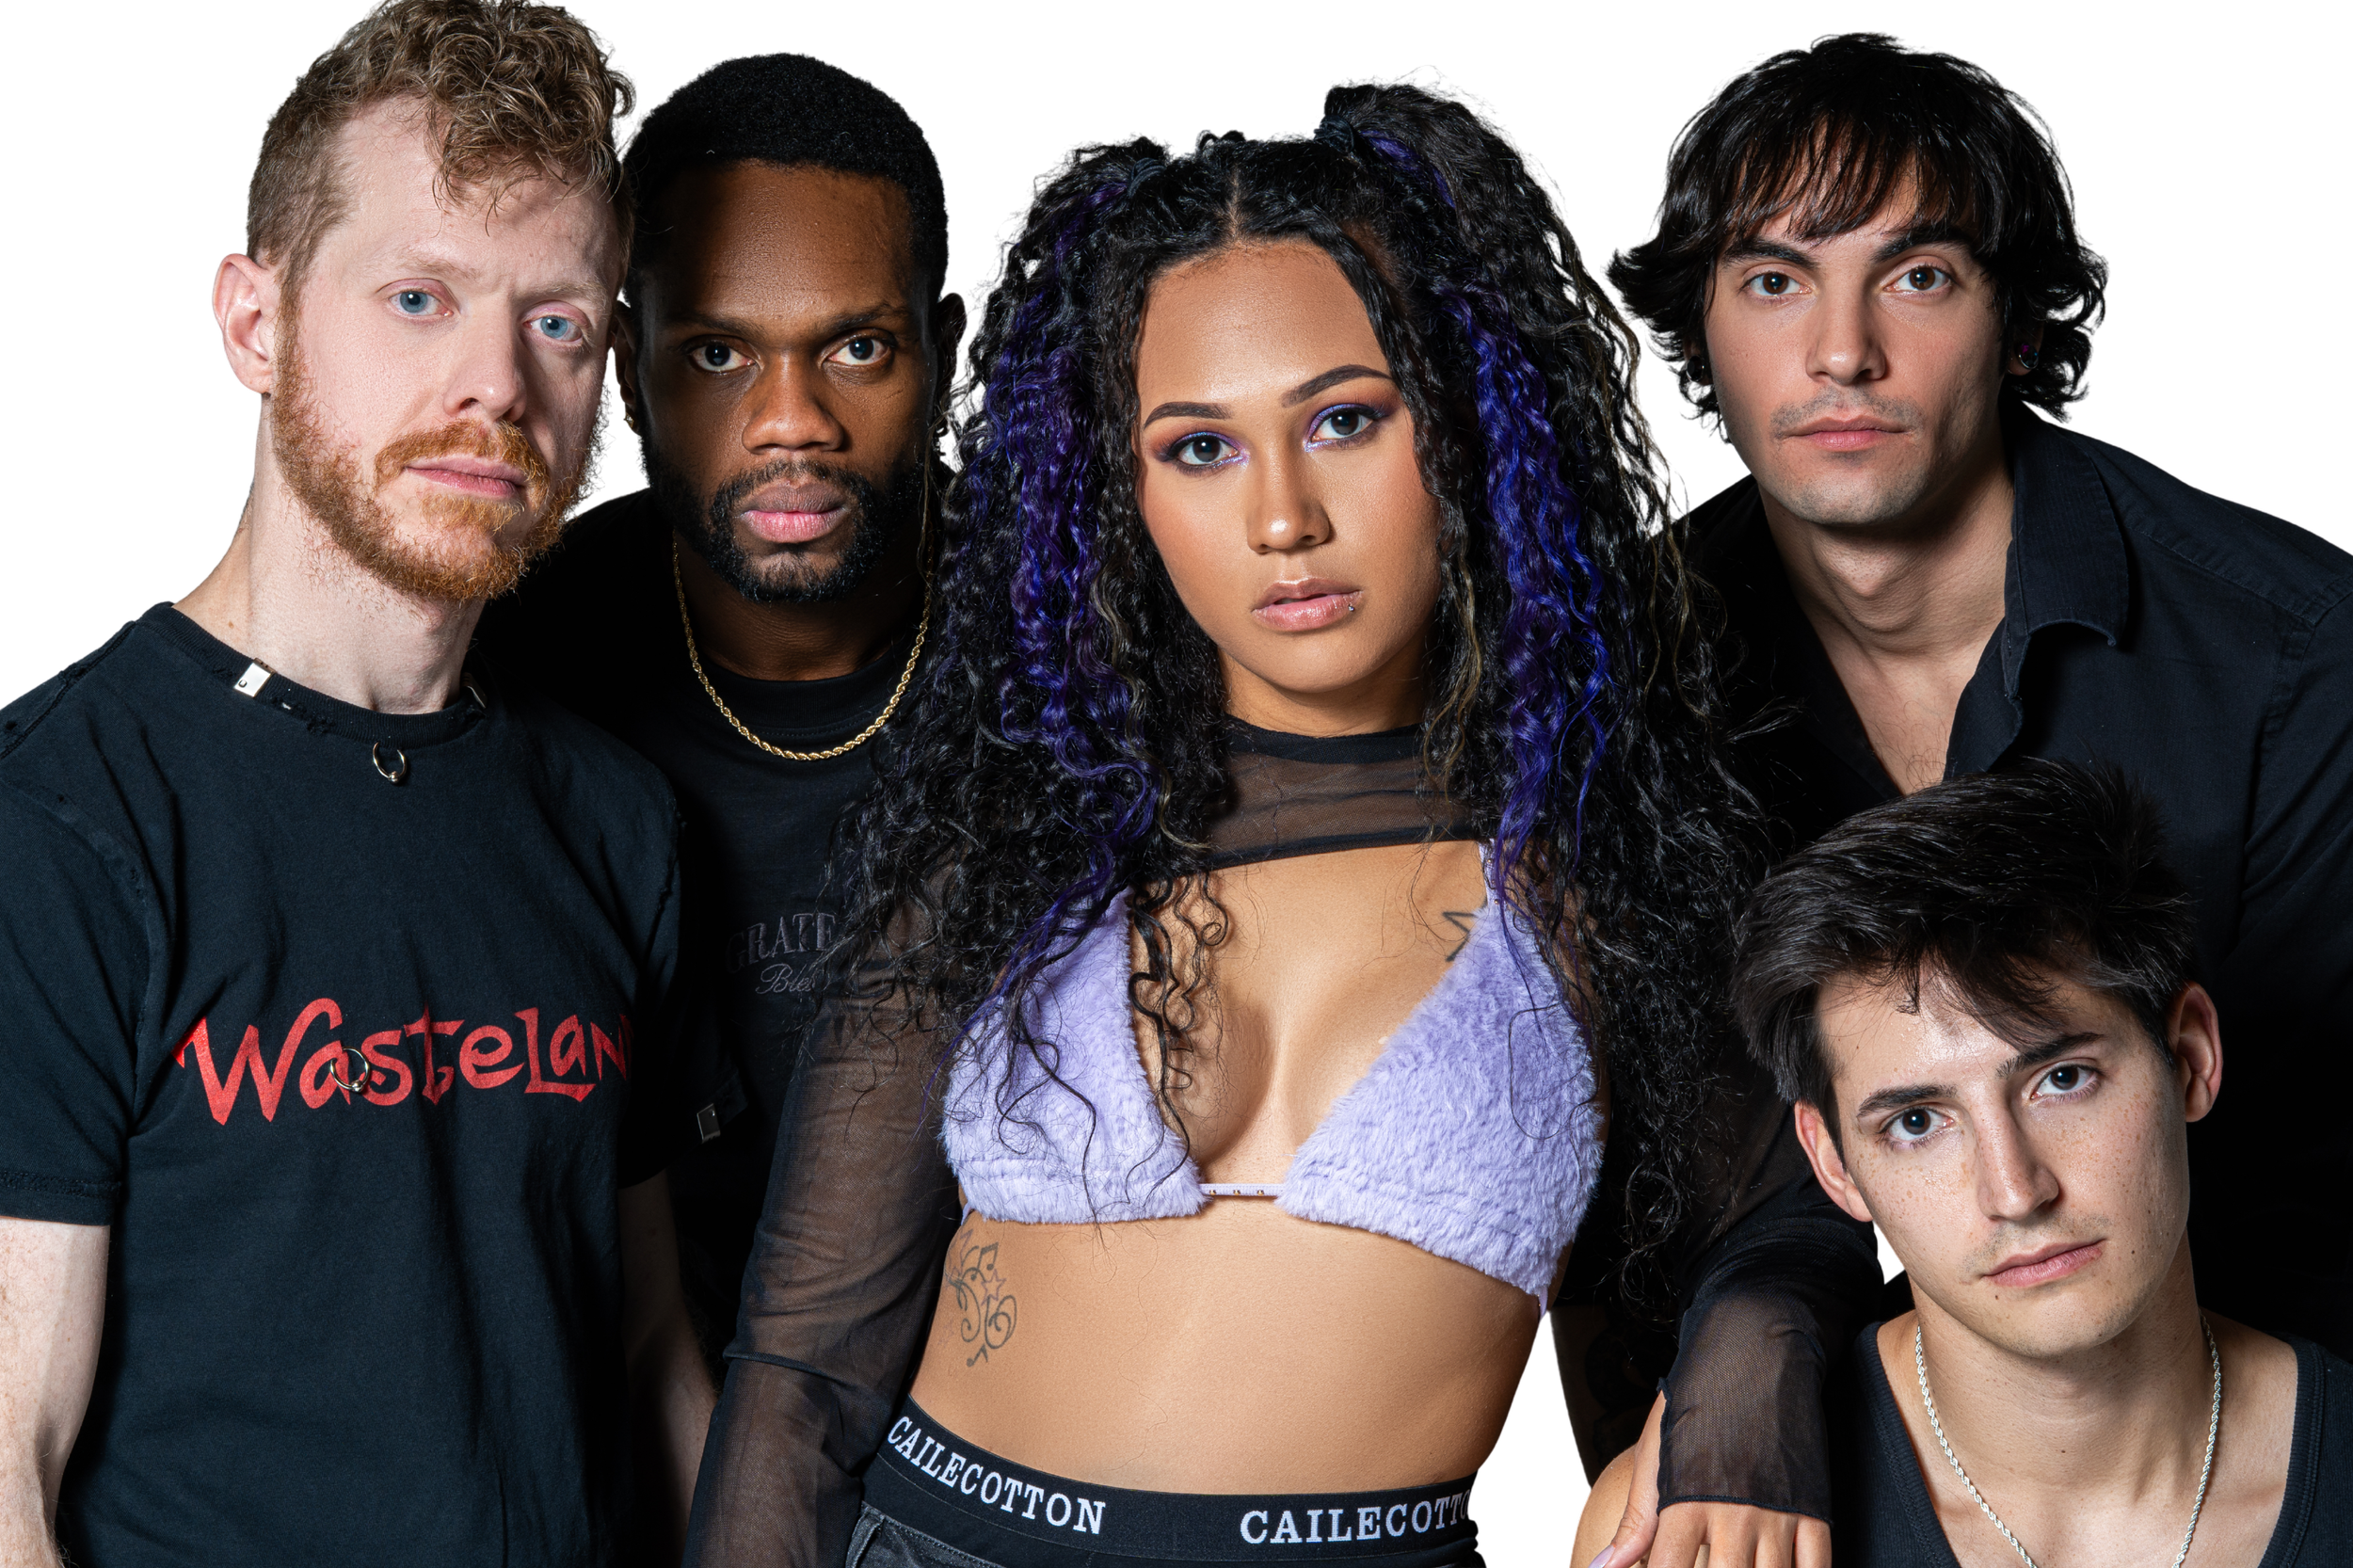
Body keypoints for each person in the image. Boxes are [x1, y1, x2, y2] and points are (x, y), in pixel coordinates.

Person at [683, 83, 1761, 1568]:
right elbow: (802, 1366)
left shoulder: (1607, 864)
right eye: (1197, 447)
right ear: (1115, 494)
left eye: (1343, 420)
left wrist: (1743, 1369)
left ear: (1464, 425)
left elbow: (1779, 1235)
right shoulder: (1017, 846)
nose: (1281, 518)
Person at [1593, 33, 2353, 1568]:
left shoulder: (2286, 652)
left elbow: (2303, 1158)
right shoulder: (1631, 691)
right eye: (1771, 280)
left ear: (2016, 321)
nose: (1842, 352)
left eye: (1918, 275)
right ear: (1701, 340)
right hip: (1798, 1453)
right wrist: (1743, 1351)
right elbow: (1700, 1152)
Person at [0, 4, 712, 1563]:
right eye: (417, 296)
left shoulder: (613, 818)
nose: (497, 389)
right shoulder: (58, 818)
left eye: (560, 323)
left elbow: (654, 1360)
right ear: (251, 325)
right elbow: (10, 1475)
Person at [476, 52, 954, 1370]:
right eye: (718, 353)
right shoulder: (510, 662)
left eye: (858, 346)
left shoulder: (1070, 655)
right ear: (630, 376)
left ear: (938, 353)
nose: (791, 421)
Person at [1577, 762, 2352, 1566]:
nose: (2015, 1191)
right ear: (1834, 1164)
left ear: (2188, 1057)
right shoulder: (1687, 1540)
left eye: (2063, 1079)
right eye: (1917, 1122)